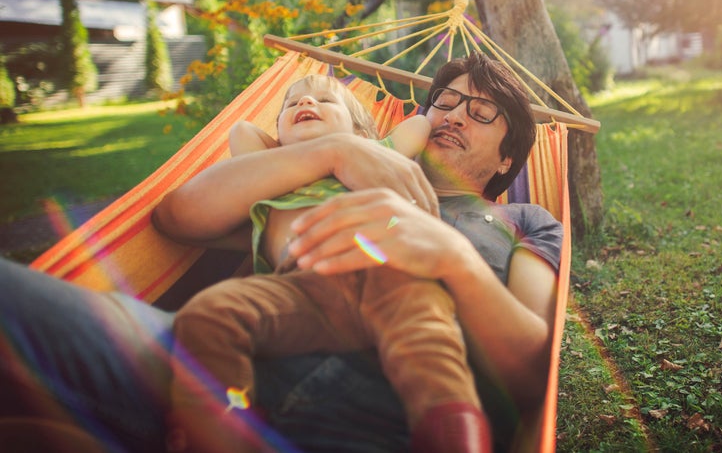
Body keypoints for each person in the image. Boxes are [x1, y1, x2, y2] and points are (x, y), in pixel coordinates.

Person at [0, 52, 562, 452]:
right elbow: (177, 217)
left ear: (508, 160)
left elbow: (533, 369)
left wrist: (455, 260)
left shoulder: (524, 222)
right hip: (199, 374)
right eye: (447, 100)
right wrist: (333, 152)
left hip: (381, 423)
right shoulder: (324, 176)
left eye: (482, 111)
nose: (454, 115)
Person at [165, 73, 489, 452]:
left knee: (430, 344)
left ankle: (454, 434)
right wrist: (305, 147)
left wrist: (362, 145)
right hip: (300, 292)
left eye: (325, 101)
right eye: (293, 104)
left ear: (364, 136)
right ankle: (220, 430)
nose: (305, 104)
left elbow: (418, 124)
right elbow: (242, 131)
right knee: (209, 314)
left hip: (386, 274)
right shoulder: (270, 181)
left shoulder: (379, 156)